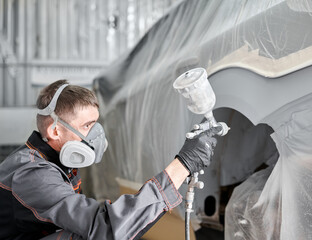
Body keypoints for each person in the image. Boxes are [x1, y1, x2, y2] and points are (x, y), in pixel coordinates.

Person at [0, 80, 219, 240]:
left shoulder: (56, 162)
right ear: (55, 130)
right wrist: (182, 165)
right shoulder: (33, 174)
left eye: (95, 124)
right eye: (87, 126)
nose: (95, 135)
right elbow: (106, 227)